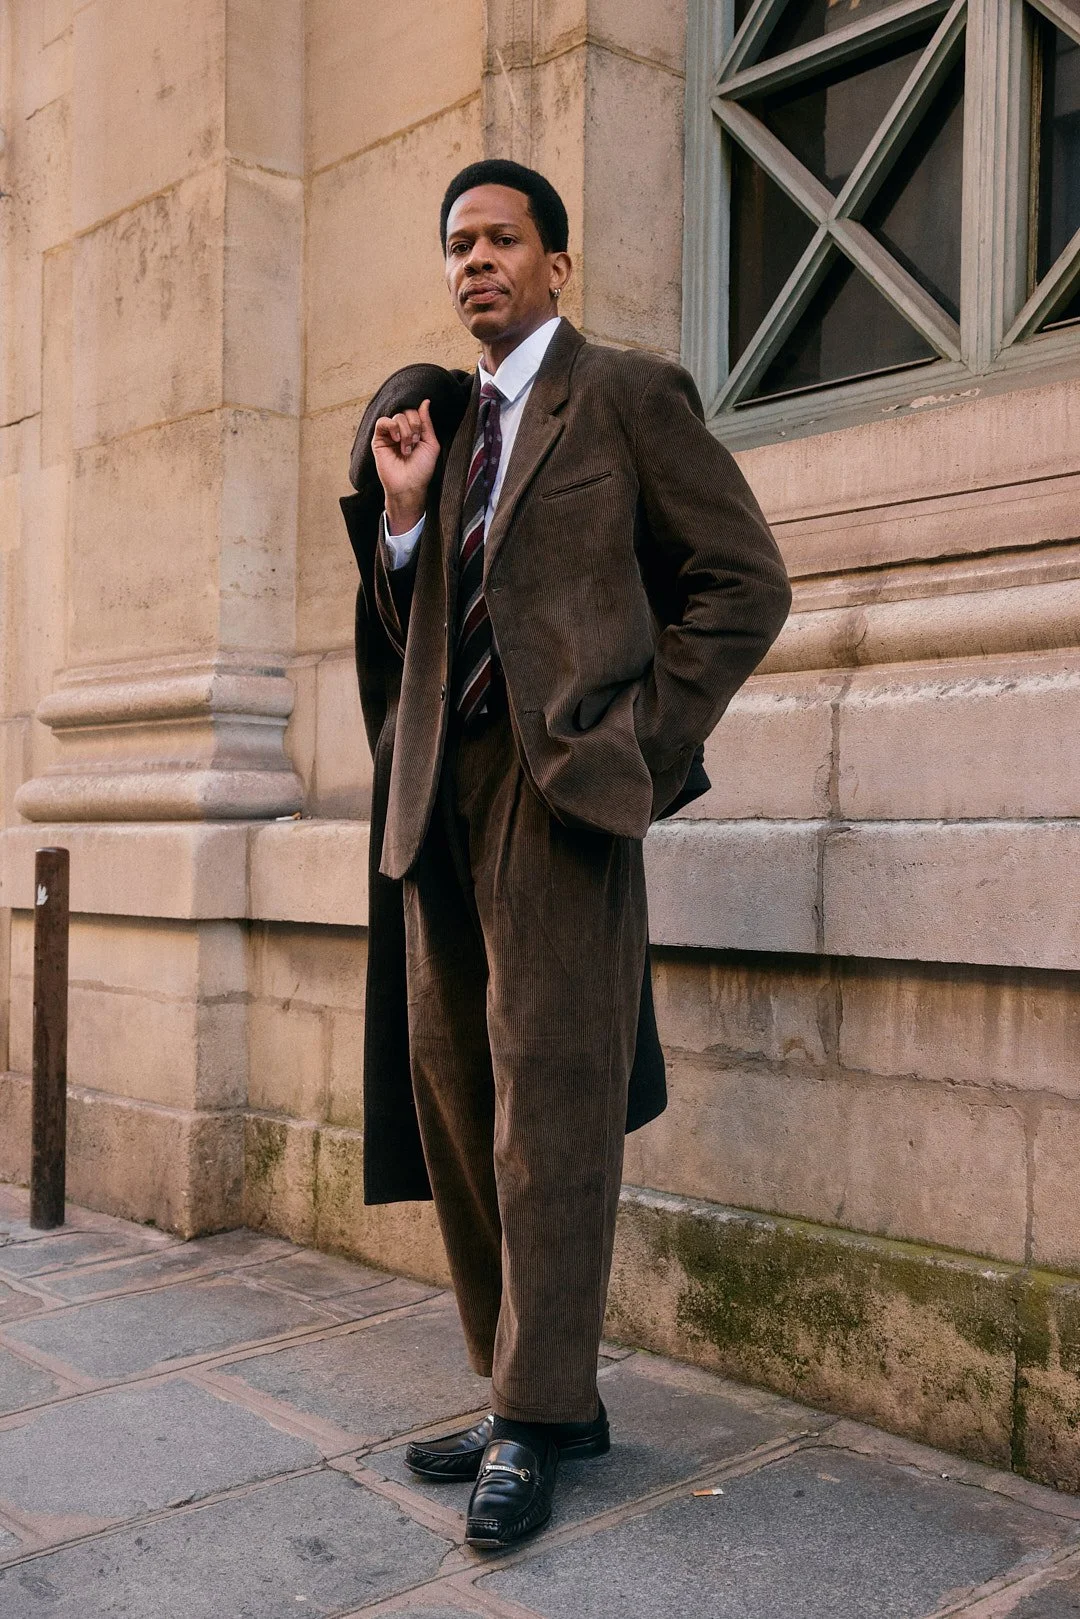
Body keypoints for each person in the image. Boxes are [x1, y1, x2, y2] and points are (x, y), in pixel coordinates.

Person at [342, 158, 791, 1550]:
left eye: (502, 240)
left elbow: (745, 581)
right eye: (459, 244)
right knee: (457, 1097)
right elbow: (411, 625)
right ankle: (523, 1385)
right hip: (441, 797)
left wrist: (639, 751)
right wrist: (406, 518)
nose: (476, 261)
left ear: (556, 261)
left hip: (563, 799)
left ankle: (540, 1416)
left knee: (552, 1107)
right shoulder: (446, 427)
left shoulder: (627, 396)